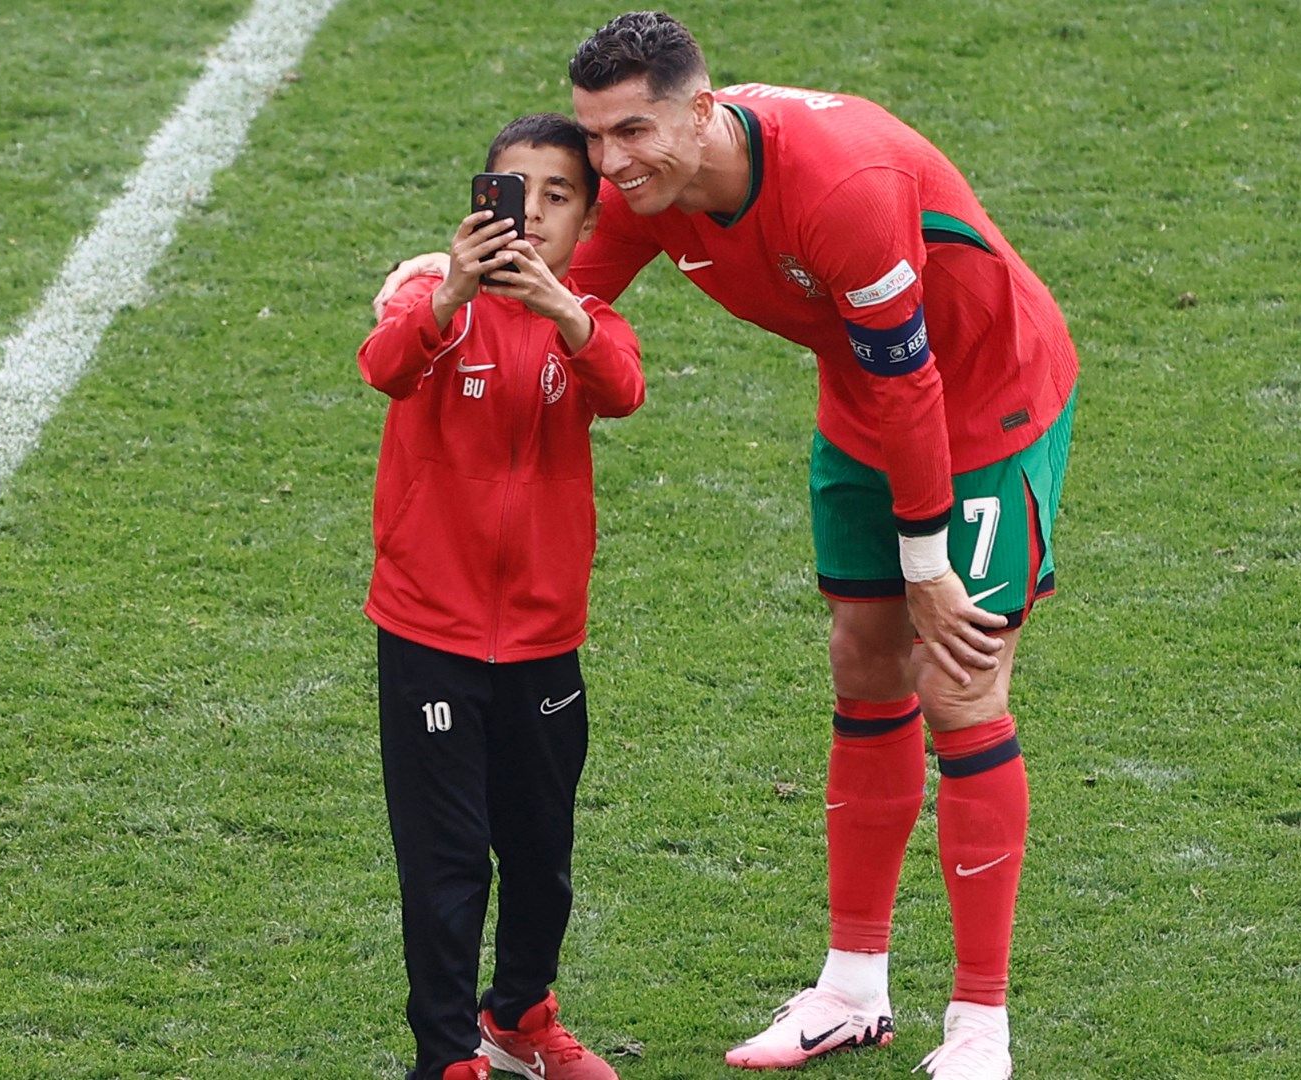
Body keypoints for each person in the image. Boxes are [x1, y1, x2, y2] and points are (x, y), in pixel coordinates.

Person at [374, 12, 1077, 1079]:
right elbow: (559, 296)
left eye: (632, 132)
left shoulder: (842, 188)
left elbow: (916, 382)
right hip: (863, 405)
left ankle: (981, 1024)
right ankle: (853, 988)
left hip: (983, 399)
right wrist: (438, 281)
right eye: (594, 136)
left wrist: (928, 565)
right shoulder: (651, 191)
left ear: (704, 112)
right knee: (863, 661)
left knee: (960, 681)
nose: (609, 164)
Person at [359, 112, 645, 1080]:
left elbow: (624, 388)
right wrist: (449, 291)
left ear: (587, 221)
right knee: (445, 861)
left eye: (560, 198)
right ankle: (447, 1056)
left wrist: (564, 311)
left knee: (540, 851)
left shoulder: (586, 320)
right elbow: (384, 367)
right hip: (429, 634)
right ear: (483, 202)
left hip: (541, 638)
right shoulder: (430, 298)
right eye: (518, 194)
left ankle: (518, 1016)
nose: (537, 215)